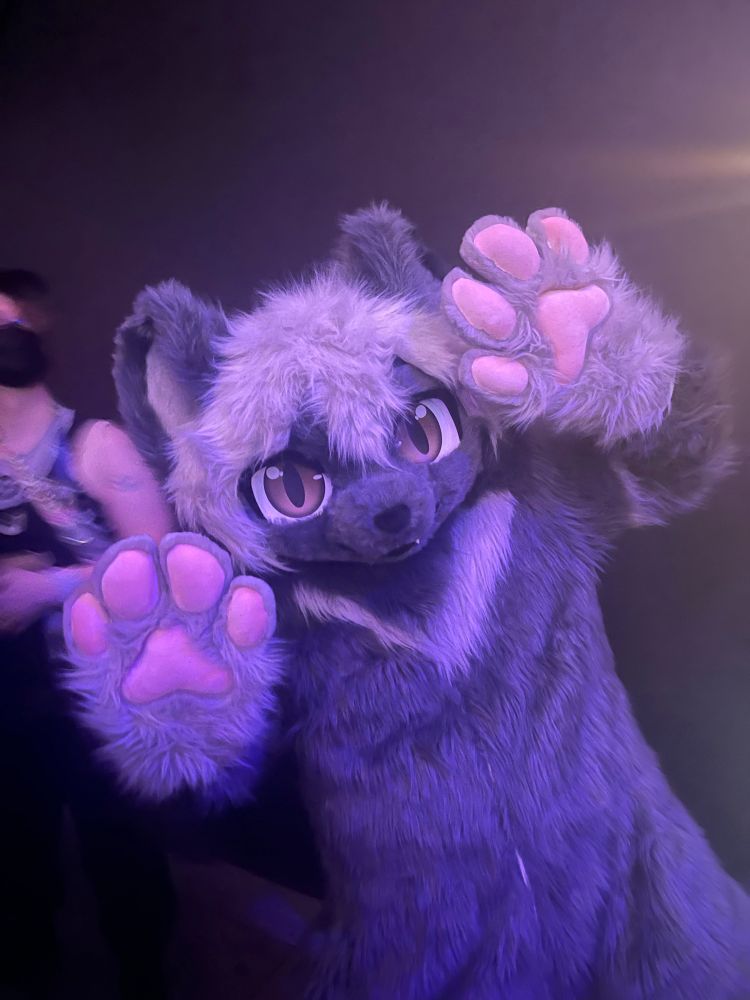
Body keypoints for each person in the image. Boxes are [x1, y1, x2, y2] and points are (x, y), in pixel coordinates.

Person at [0, 270, 175, 999]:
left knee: (122, 854)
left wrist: (49, 585)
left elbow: (167, 564)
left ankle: (149, 978)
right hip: (9, 709)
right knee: (16, 857)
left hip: (96, 701)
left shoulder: (95, 446)